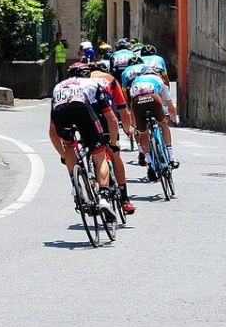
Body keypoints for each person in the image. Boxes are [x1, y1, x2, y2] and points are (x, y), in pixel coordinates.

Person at [48, 62, 129, 218]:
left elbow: (52, 132)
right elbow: (111, 118)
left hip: (61, 113)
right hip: (82, 110)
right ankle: (104, 197)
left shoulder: (58, 87)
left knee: (69, 146)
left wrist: (63, 155)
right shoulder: (92, 84)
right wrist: (113, 143)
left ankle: (76, 186)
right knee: (100, 156)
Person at [85, 61, 136, 212]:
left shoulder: (83, 80)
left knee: (92, 152)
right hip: (106, 117)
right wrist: (127, 129)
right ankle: (125, 200)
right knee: (114, 153)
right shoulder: (110, 79)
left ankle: (94, 185)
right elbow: (122, 109)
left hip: (87, 118)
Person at [127, 66, 177, 177]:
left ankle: (150, 164)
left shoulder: (135, 81)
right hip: (153, 98)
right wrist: (174, 119)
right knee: (163, 124)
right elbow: (170, 106)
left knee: (143, 134)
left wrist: (134, 125)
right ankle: (171, 158)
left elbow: (131, 108)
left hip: (137, 102)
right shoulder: (159, 80)